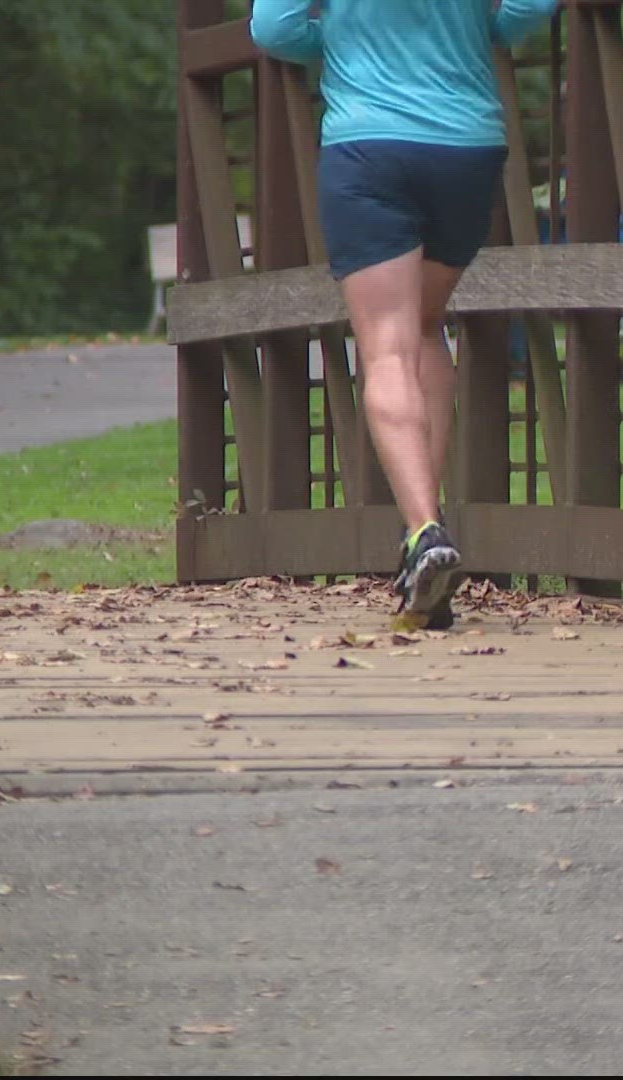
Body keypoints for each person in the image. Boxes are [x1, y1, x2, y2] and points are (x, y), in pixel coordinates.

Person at [251, 0, 559, 630]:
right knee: (424, 325)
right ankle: (424, 531)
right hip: (466, 147)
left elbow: (273, 28)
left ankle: (424, 527)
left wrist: (336, 43)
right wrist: (484, 30)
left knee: (387, 345)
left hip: (369, 147)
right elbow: (532, 7)